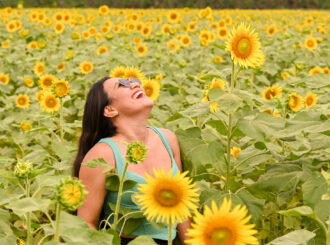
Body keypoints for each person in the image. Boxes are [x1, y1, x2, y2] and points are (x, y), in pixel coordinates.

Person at [73, 77, 190, 245]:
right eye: (121, 85)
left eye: (133, 80)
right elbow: (85, 223)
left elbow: (182, 206)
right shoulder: (103, 154)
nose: (136, 84)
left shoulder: (167, 138)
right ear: (110, 110)